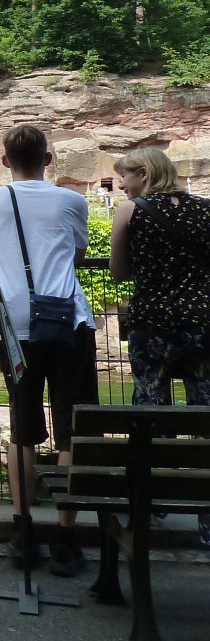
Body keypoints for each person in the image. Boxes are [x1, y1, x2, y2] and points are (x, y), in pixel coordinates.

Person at [0, 124, 97, 577]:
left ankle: (23, 532)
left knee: (23, 428)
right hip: (67, 324)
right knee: (71, 428)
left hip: (15, 326)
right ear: (49, 159)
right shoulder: (72, 201)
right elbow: (75, 256)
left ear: (4, 162)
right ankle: (65, 537)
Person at [108, 147, 210, 547]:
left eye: (125, 177)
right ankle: (206, 517)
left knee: (151, 409)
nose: (122, 185)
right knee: (204, 414)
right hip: (203, 325)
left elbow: (118, 272)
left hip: (153, 327)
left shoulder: (130, 212)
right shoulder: (205, 210)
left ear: (144, 175)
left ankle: (155, 501)